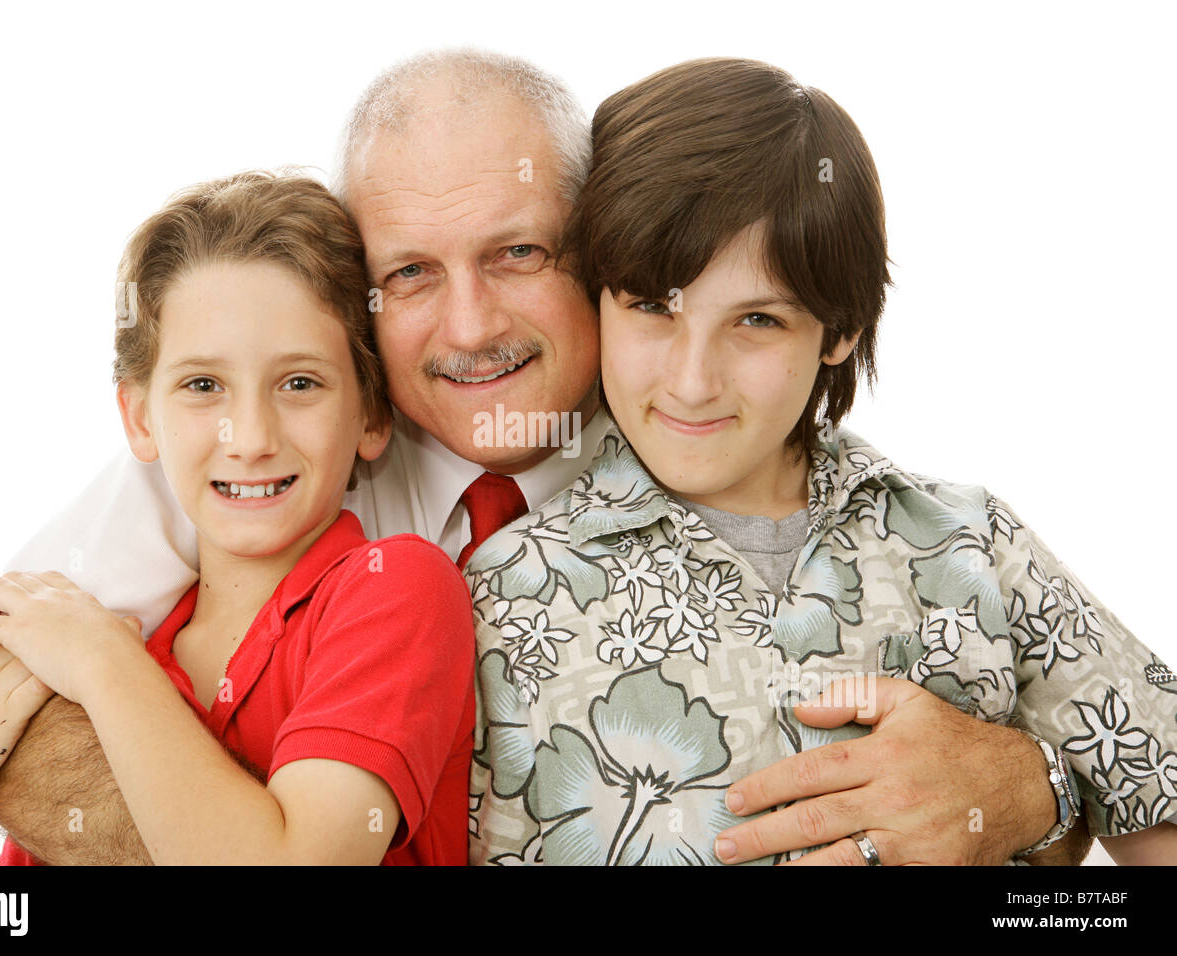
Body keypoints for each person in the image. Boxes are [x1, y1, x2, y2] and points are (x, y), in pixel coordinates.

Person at [0, 49, 1097, 866]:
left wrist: (1033, 785)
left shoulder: (716, 437)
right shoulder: (274, 453)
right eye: (409, 273)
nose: (468, 327)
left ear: (604, 245)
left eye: (516, 252)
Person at [465, 57, 1177, 866]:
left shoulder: (973, 546)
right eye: (654, 308)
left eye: (758, 320)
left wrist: (1042, 800)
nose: (692, 380)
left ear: (838, 328)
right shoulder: (496, 601)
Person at [0, 171, 475, 865]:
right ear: (141, 419)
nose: (251, 436)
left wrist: (101, 663)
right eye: (203, 386)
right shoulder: (131, 642)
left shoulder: (398, 589)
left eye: (300, 383)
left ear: (372, 415)